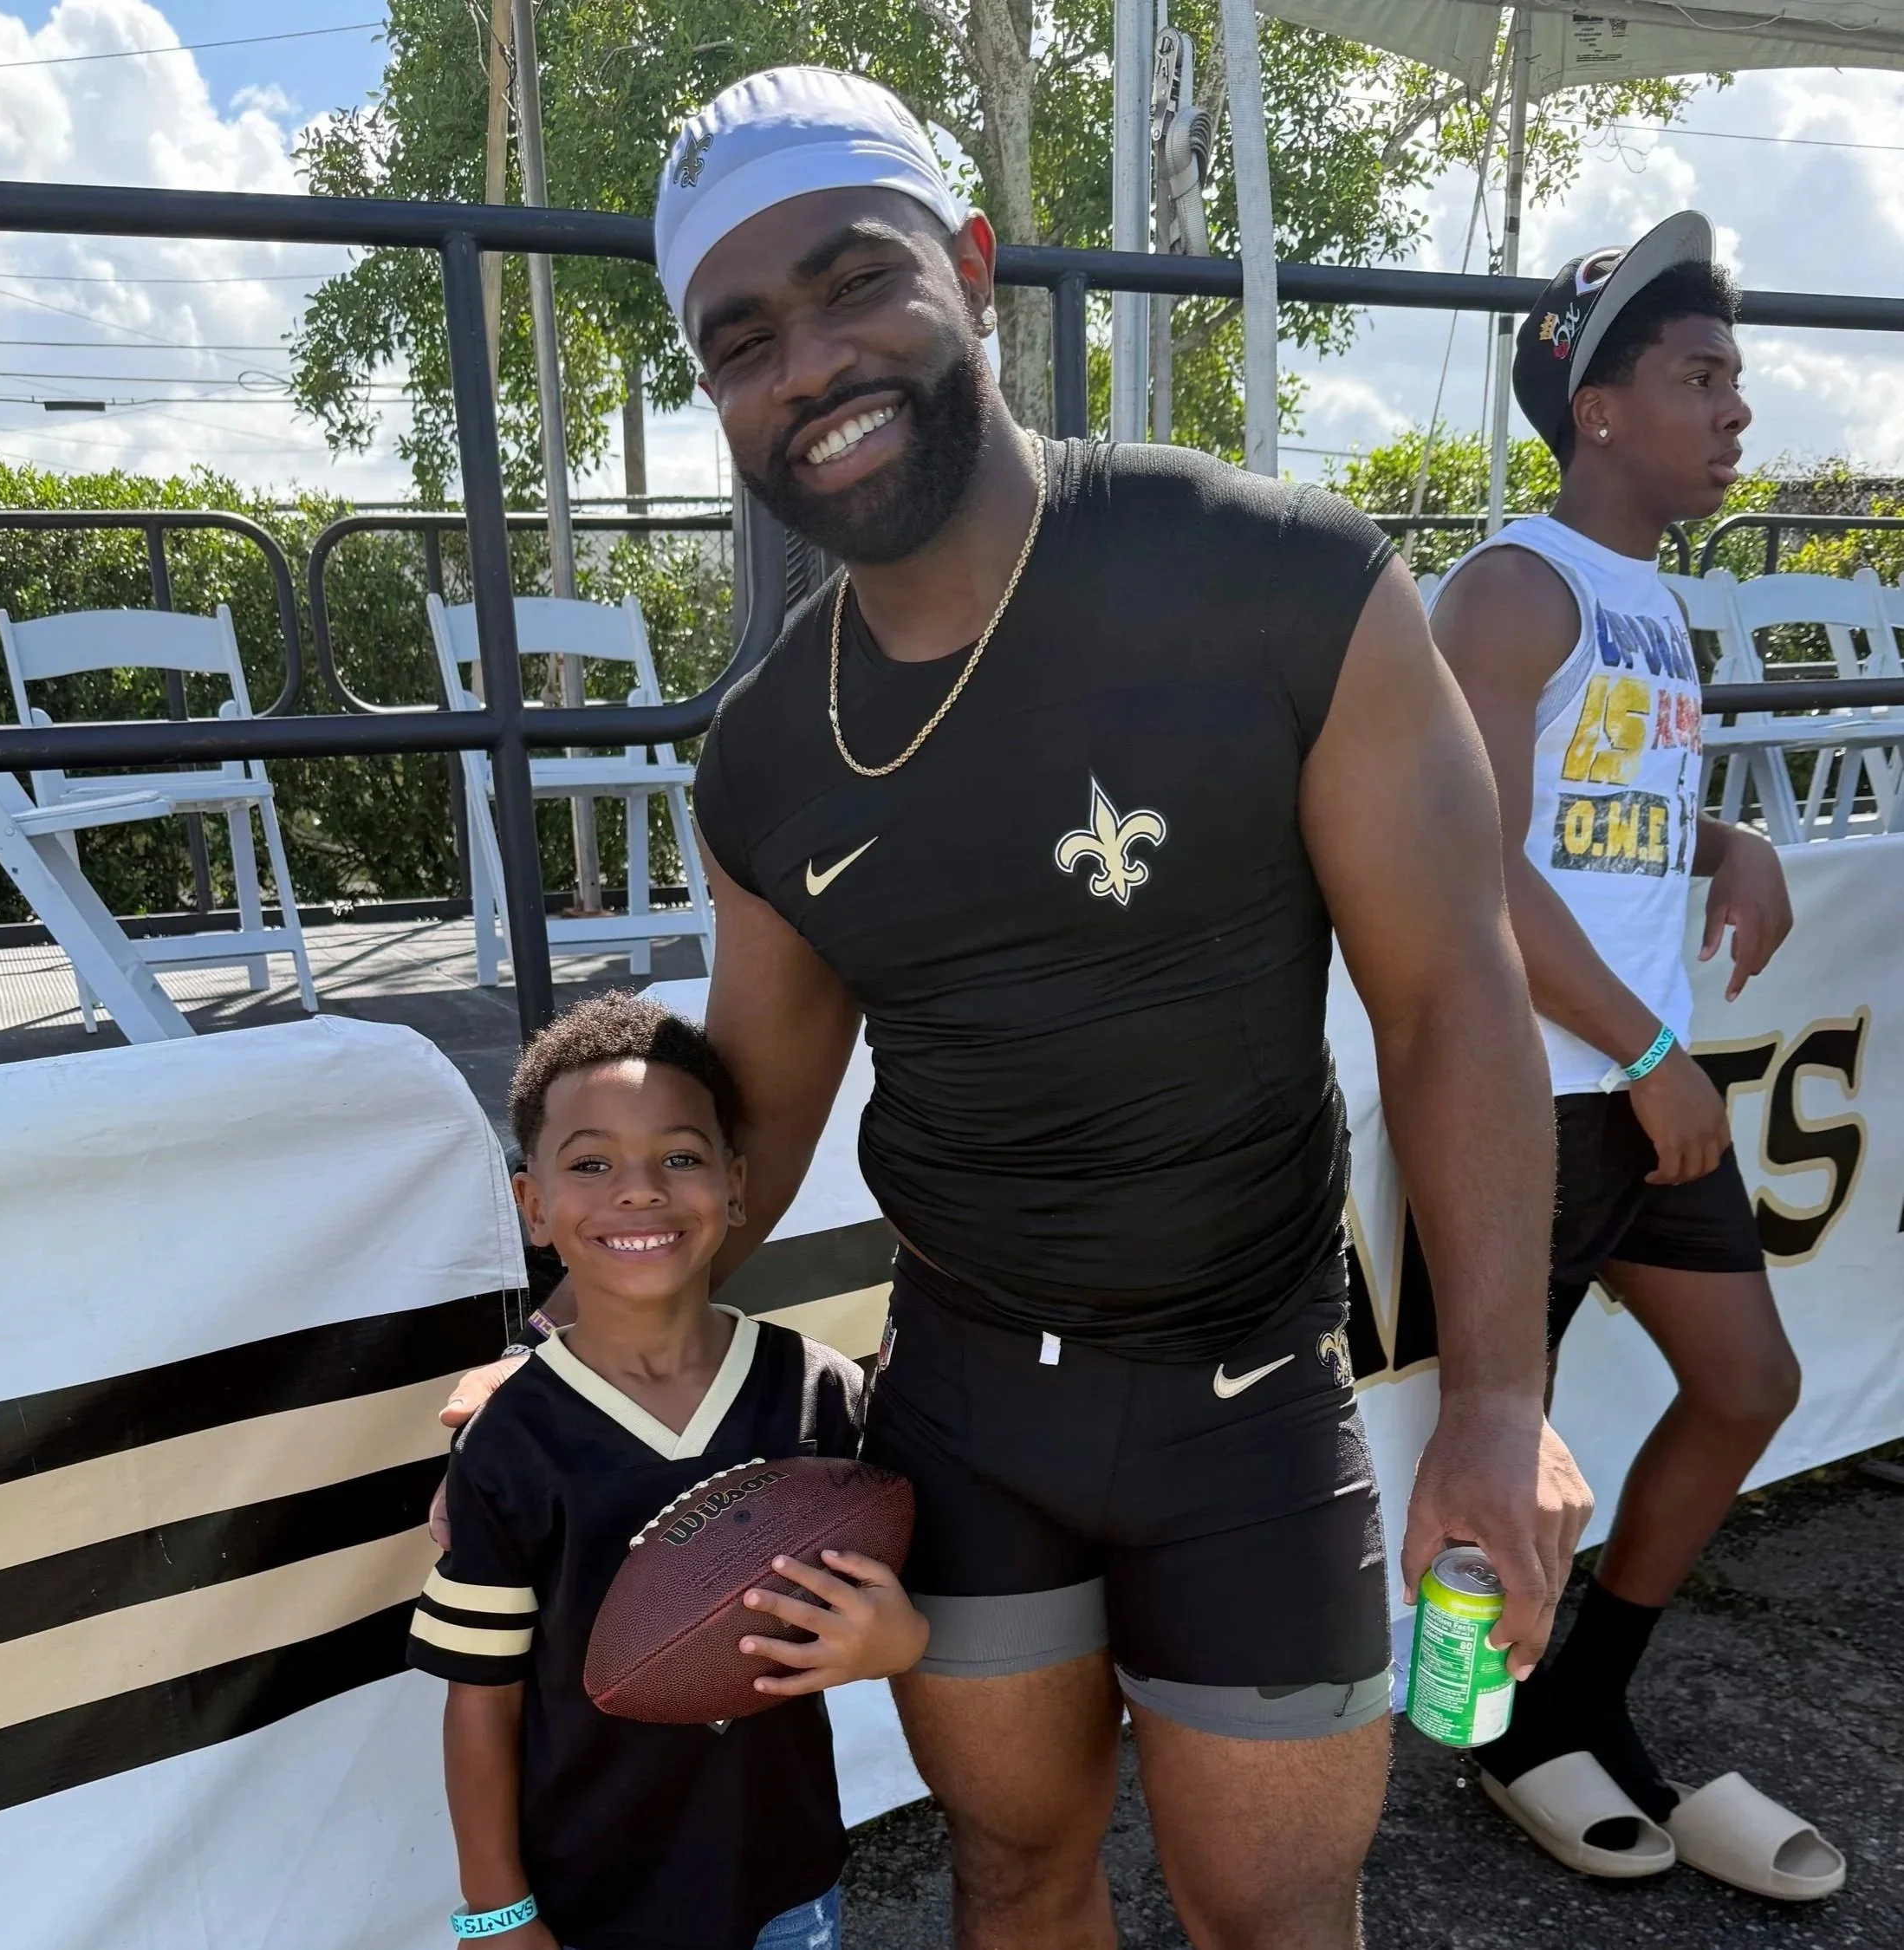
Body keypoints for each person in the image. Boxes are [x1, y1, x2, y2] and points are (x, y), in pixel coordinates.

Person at [446, 67, 1592, 1950]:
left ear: (976, 270)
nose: (807, 364)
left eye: (852, 285)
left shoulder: (1282, 582)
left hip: (1249, 1407)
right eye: (742, 341)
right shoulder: (761, 756)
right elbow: (755, 1118)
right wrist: (586, 1341)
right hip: (970, 1410)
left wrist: (1492, 1396)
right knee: (1014, 1875)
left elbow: (1454, 1001)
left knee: (1275, 1923)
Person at [1429, 215, 1842, 1899]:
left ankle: (1579, 1704)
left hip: (1634, 1087)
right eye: (1700, 376)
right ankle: (1474, 1737)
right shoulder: (1511, 587)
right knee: (1491, 1457)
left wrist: (1723, 843)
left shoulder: (1650, 599)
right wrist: (1652, 1044)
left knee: (1749, 1386)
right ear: (1596, 404)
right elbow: (1466, 864)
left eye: (1737, 376)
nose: (1736, 409)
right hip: (1535, 1099)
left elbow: (1603, 823)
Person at [411, 991, 928, 1950]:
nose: (638, 1189)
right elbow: (480, 1702)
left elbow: (895, 1590)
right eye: (592, 1163)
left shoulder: (814, 1391)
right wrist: (497, 1909)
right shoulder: (509, 1439)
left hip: (788, 1883)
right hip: (593, 1902)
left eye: (679, 1158)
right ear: (532, 1204)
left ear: (736, 1186)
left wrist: (893, 1643)